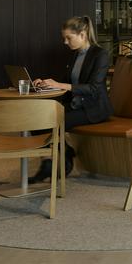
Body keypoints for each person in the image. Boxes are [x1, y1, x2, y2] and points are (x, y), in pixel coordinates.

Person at [29, 15, 113, 183]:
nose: (65, 42)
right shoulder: (75, 55)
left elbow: (93, 88)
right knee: (36, 119)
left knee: (53, 122)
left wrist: (59, 84)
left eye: (68, 38)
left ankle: (62, 157)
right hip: (76, 105)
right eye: (64, 38)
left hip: (94, 108)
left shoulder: (100, 55)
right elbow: (67, 82)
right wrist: (47, 84)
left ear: (83, 34)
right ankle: (54, 159)